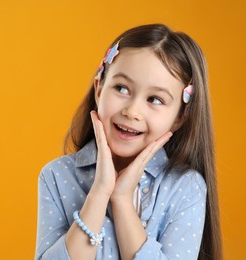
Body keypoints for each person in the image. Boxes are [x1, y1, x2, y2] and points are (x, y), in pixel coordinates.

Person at [35, 24, 222, 260]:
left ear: (180, 117)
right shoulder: (57, 176)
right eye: (121, 88)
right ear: (99, 89)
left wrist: (122, 200)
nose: (132, 111)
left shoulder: (184, 188)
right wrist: (99, 192)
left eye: (155, 99)